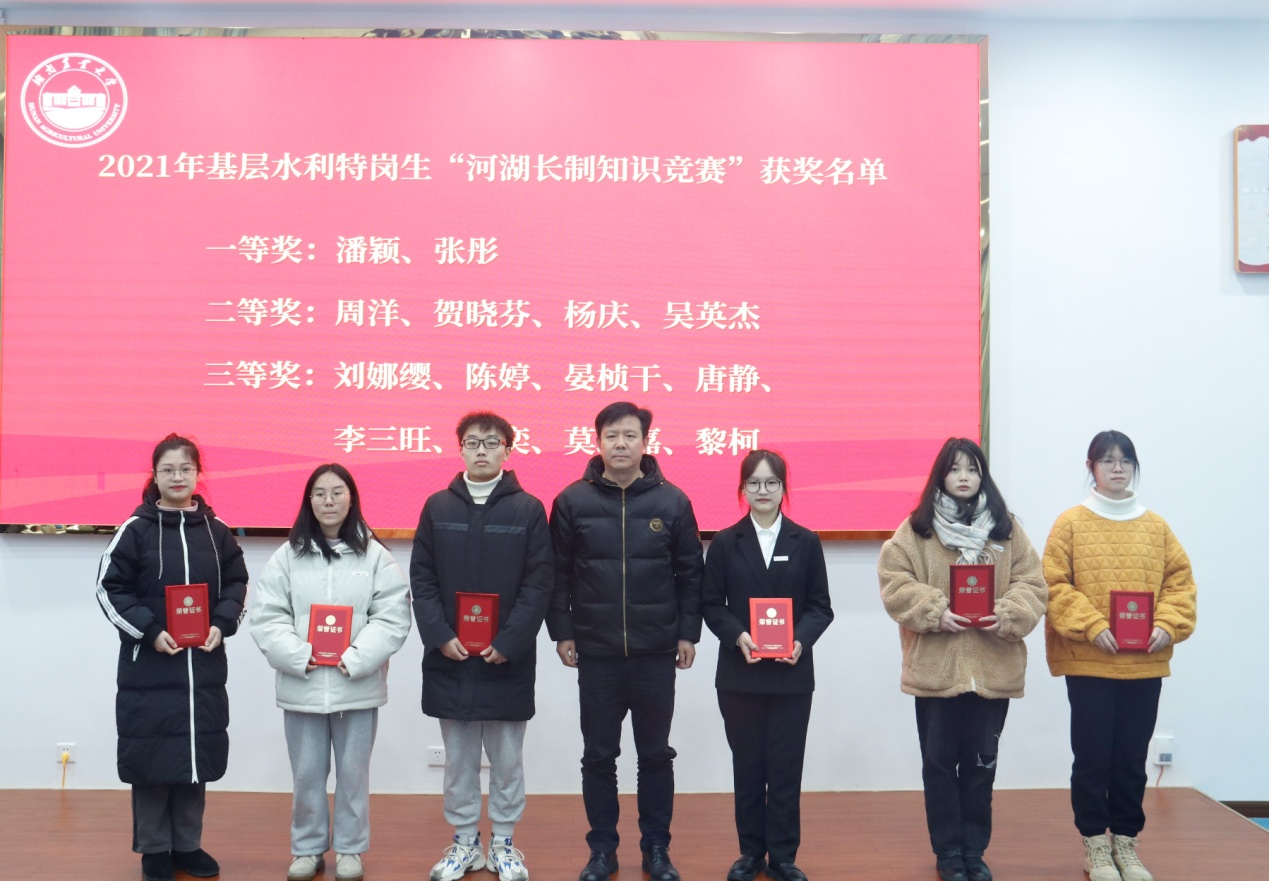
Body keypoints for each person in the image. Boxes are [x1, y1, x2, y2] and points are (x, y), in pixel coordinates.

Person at [547, 402, 704, 881]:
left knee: (655, 755)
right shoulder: (571, 501)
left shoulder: (672, 502)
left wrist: (688, 633)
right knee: (598, 756)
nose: (620, 444)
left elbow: (690, 574)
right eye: (611, 435)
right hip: (596, 652)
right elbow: (557, 574)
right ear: (597, 441)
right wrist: (562, 631)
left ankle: (656, 849)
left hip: (655, 652)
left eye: (630, 435)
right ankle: (602, 850)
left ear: (645, 442)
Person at [878, 438, 1047, 881]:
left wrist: (1005, 614)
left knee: (980, 765)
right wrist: (935, 611)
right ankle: (948, 853)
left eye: (972, 469)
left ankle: (974, 851)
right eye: (954, 469)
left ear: (982, 476)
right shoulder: (916, 530)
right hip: (936, 672)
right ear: (941, 476)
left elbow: (1033, 583)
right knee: (938, 766)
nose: (964, 477)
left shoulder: (1006, 530)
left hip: (993, 671)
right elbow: (894, 582)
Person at [95, 434, 249, 881]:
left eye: (185, 468)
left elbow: (238, 583)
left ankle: (187, 845)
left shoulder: (217, 532)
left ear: (198, 473)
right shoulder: (136, 529)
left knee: (193, 758)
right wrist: (149, 631)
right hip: (149, 669)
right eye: (168, 469)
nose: (177, 476)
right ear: (155, 476)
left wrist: (222, 623)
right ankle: (153, 850)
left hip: (202, 669)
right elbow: (109, 588)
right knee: (151, 759)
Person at [1044, 431, 1196, 881]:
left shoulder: (1156, 526)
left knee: (1131, 759)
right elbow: (1053, 584)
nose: (1117, 468)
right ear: (1090, 467)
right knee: (1093, 757)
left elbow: (1180, 584)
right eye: (1107, 460)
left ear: (1134, 467)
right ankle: (1095, 845)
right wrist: (1093, 625)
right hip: (1089, 661)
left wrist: (1167, 624)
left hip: (1144, 664)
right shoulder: (1070, 523)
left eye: (1125, 460)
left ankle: (1126, 844)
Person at [251, 464, 411, 881]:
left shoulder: (375, 556)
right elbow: (267, 615)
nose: (328, 501)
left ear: (351, 498)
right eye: (320, 493)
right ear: (309, 501)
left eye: (337, 492)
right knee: (307, 774)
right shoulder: (287, 556)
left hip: (355, 685)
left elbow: (393, 616)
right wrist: (297, 655)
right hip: (302, 684)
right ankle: (307, 849)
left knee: (353, 775)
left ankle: (350, 850)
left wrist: (356, 659)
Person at [411, 411, 553, 881]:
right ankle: (465, 843)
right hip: (450, 657)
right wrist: (440, 635)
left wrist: (510, 640)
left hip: (506, 659)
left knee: (507, 762)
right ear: (461, 449)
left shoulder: (528, 509)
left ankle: (505, 843)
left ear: (507, 451)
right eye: (472, 442)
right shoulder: (437, 507)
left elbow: (539, 584)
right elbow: (422, 579)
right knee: (459, 762)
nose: (481, 450)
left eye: (492, 443)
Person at [702, 450, 834, 881]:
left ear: (783, 488)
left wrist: (800, 640)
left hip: (791, 674)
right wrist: (738, 635)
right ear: (743, 489)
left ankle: (783, 857)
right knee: (747, 767)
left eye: (771, 482)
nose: (763, 490)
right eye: (754, 483)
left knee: (785, 768)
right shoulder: (725, 542)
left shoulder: (806, 541)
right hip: (740, 674)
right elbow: (711, 605)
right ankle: (749, 854)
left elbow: (820, 607)